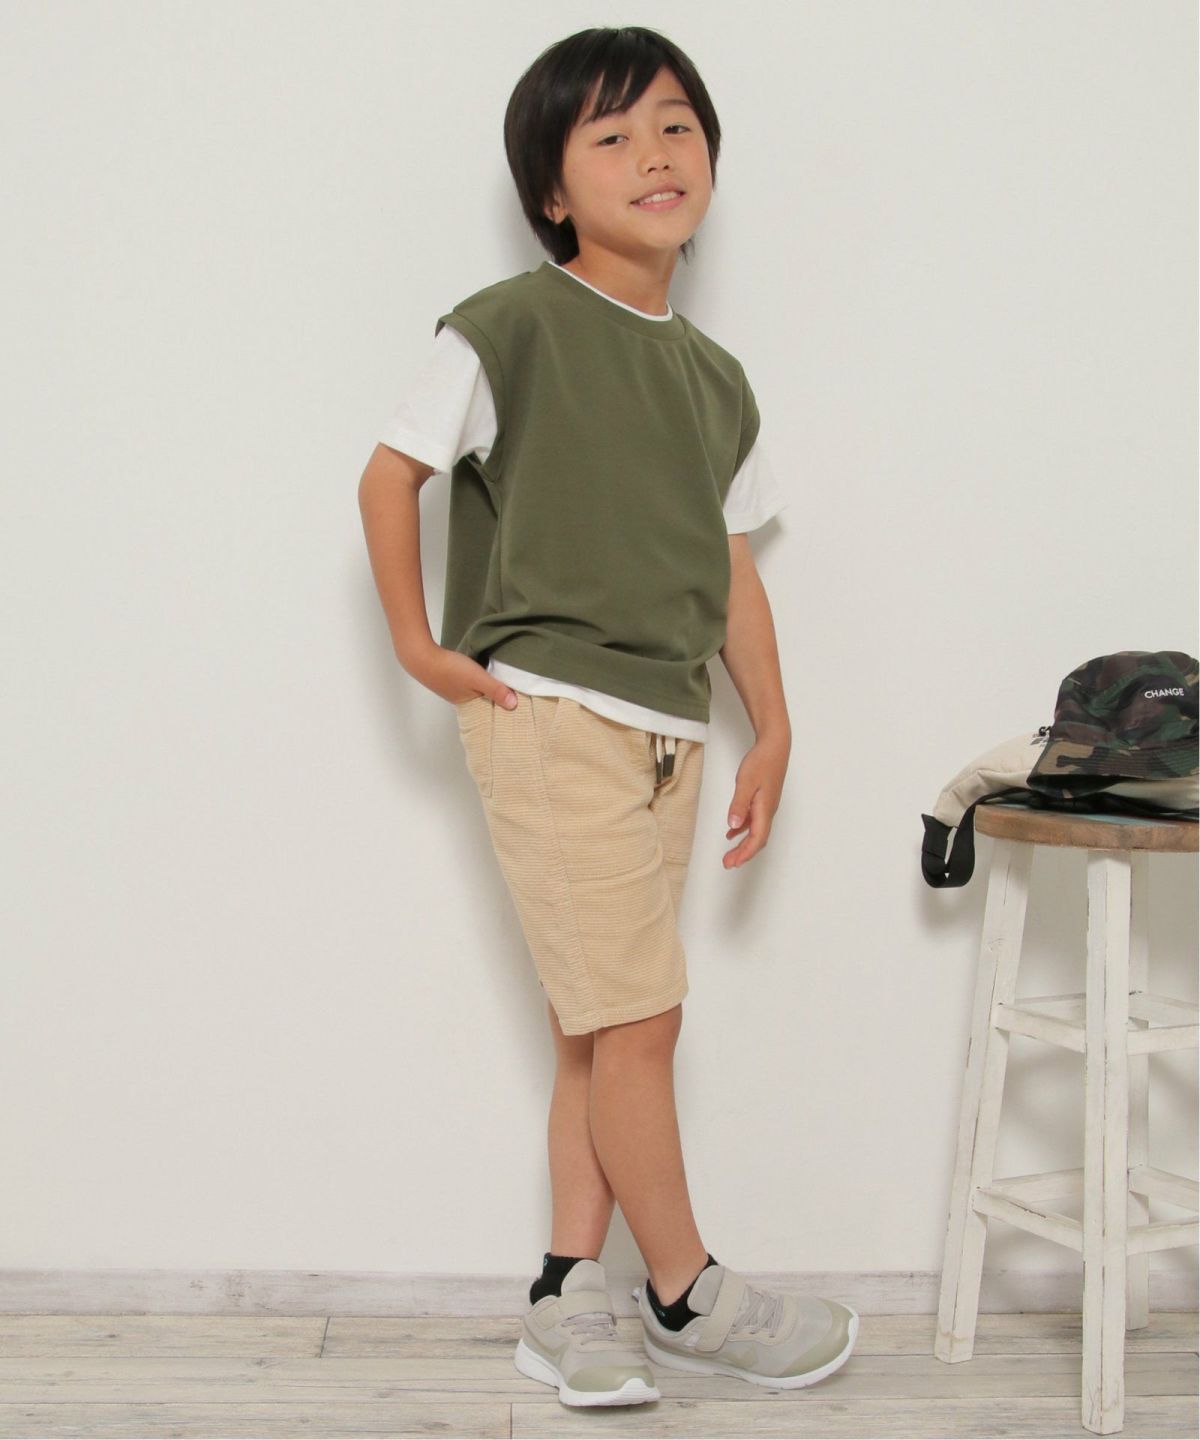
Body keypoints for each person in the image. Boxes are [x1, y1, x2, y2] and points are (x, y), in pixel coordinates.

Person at [358, 24, 858, 1410]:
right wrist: (418, 646)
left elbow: (730, 561)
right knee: (642, 1020)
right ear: (552, 190)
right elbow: (389, 476)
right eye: (613, 134)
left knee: (599, 1025)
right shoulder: (509, 326)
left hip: (667, 732)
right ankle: (687, 1293)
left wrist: (774, 726)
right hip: (552, 712)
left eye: (677, 125)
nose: (655, 154)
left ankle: (567, 1293)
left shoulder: (715, 378)